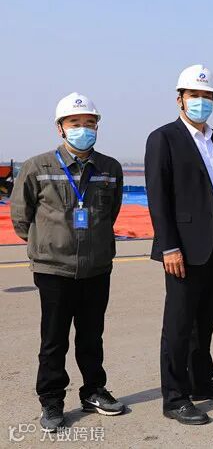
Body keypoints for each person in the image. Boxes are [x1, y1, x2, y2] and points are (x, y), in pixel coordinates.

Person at [11, 93, 125, 431]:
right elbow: (21, 217)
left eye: (90, 123)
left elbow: (112, 212)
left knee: (92, 336)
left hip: (97, 267)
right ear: (60, 128)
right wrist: (49, 243)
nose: (83, 129)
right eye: (75, 123)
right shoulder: (37, 167)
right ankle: (51, 400)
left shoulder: (110, 169)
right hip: (53, 269)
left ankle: (93, 391)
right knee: (54, 339)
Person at [145, 64, 213, 426]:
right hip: (183, 248)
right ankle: (174, 397)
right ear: (180, 99)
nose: (201, 101)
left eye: (207, 96)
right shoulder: (163, 138)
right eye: (195, 95)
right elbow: (158, 198)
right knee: (179, 324)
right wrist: (168, 246)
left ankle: (202, 381)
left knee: (204, 319)